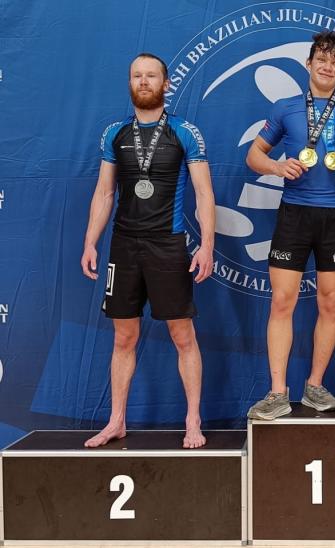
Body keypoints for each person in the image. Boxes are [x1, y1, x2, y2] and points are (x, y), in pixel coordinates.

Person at [80, 53, 215, 448]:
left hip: (168, 245)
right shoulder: (115, 133)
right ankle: (116, 420)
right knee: (123, 338)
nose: (143, 81)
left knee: (182, 335)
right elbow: (104, 193)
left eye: (151, 76)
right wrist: (90, 241)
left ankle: (193, 420)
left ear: (165, 83)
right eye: (137, 76)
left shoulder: (185, 132)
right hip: (124, 246)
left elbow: (204, 194)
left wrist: (207, 245)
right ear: (130, 82)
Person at [245, 31, 335, 420]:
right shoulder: (285, 108)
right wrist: (277, 168)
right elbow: (254, 155)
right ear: (308, 64)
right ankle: (277, 392)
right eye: (321, 59)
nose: (327, 67)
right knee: (282, 301)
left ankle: (315, 385)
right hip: (295, 213)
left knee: (330, 302)